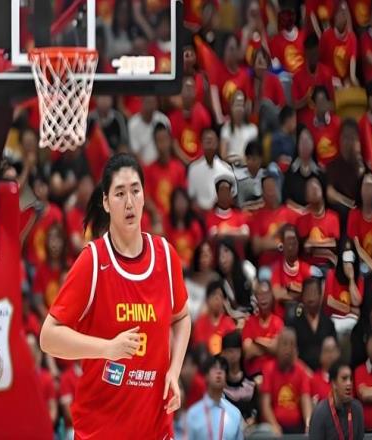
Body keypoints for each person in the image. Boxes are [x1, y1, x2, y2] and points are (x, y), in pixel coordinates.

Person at [40, 154, 191, 437]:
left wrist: (174, 370)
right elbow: (48, 337)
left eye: (135, 190)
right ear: (106, 203)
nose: (129, 202)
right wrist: (107, 348)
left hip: (156, 428)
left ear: (145, 196)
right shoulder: (93, 261)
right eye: (120, 193)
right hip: (101, 429)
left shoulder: (166, 256)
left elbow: (182, 317)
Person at [260, 327, 312, 435]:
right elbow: (265, 405)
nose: (288, 349)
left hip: (297, 427)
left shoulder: (301, 370)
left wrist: (308, 425)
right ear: (277, 347)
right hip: (273, 426)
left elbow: (306, 400)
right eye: (284, 344)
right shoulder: (268, 368)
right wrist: (274, 425)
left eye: (292, 344)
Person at [186, 355, 244, 440]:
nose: (219, 372)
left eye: (222, 369)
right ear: (206, 376)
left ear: (226, 377)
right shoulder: (193, 414)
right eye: (214, 368)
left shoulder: (235, 414)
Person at [288, 277, 336, 371]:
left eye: (314, 292)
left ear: (320, 295)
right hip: (300, 373)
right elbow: (290, 354)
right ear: (302, 297)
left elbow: (334, 352)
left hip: (324, 373)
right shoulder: (293, 324)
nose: (311, 297)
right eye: (307, 293)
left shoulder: (328, 323)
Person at [309, 361, 365, 439]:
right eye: (344, 379)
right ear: (334, 383)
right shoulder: (320, 413)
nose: (349, 383)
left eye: (351, 379)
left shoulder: (357, 409)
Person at [242, 280, 283, 377]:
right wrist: (269, 346)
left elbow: (277, 349)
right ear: (256, 298)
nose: (263, 298)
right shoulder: (249, 322)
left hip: (273, 374)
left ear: (272, 296)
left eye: (266, 294)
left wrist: (256, 340)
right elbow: (248, 351)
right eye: (260, 294)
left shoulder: (278, 322)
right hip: (254, 374)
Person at [354, 329, 372, 430]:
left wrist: (371, 389)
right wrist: (368, 391)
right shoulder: (360, 370)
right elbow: (365, 394)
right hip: (365, 431)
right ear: (367, 345)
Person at [310, 336, 341, 405]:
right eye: (327, 351)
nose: (331, 355)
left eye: (333, 350)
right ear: (320, 355)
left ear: (338, 353)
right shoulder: (313, 380)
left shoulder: (345, 377)